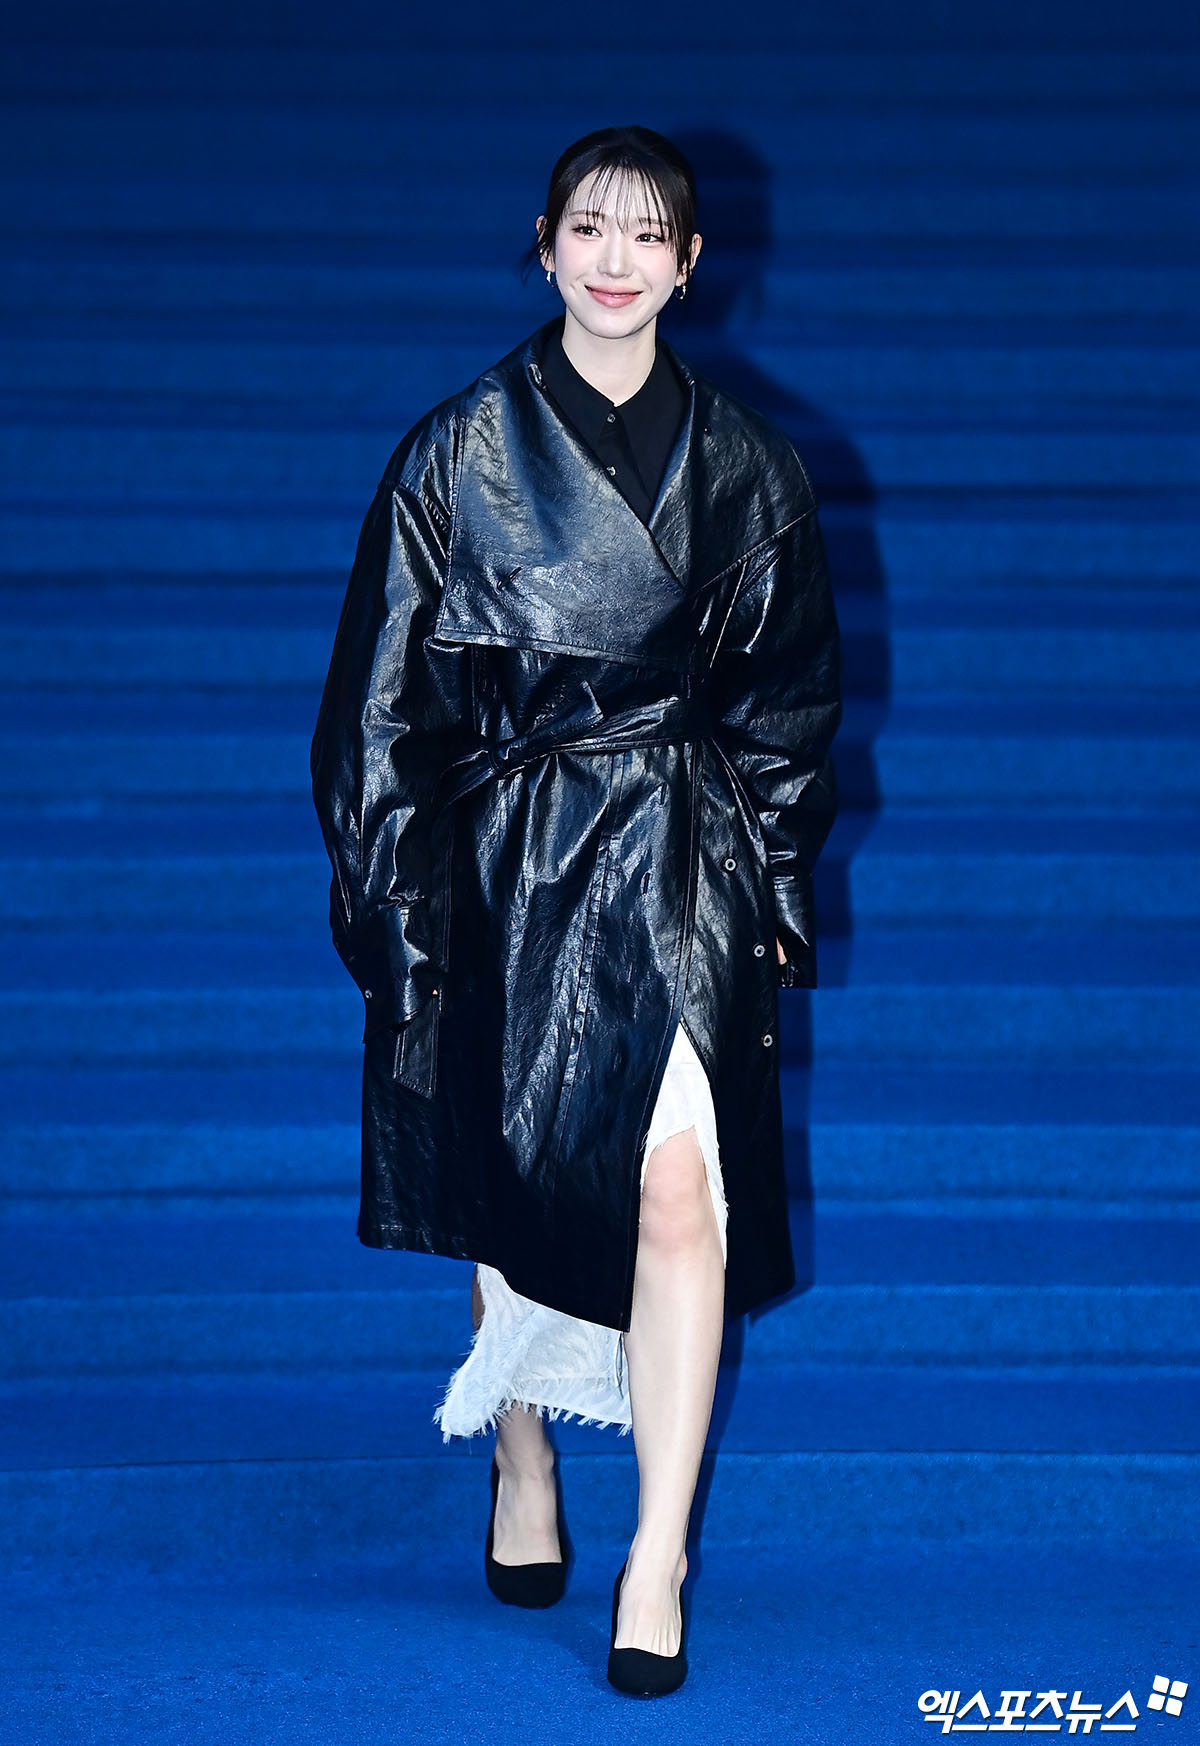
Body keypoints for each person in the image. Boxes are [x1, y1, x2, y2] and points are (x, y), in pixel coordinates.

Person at [310, 124, 841, 1697]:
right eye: (588, 229)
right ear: (542, 246)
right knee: (515, 1178)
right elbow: (378, 711)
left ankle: (656, 1554)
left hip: (676, 863)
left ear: (691, 262)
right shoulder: (453, 453)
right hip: (509, 861)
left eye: (647, 233)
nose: (616, 260)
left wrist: (769, 884)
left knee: (679, 1193)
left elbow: (788, 704)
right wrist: (397, 907)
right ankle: (524, 1446)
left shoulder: (748, 465)